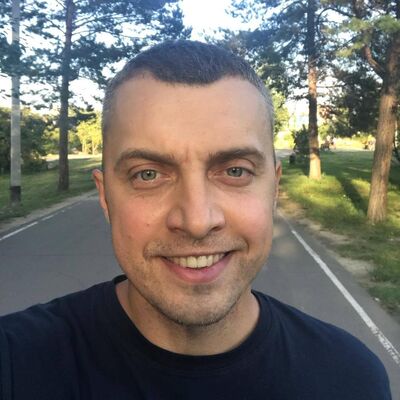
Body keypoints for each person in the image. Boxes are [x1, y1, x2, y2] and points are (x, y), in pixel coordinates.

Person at [0, 40, 391, 400]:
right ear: (105, 196)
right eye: (147, 174)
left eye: (235, 171)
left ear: (274, 189)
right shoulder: (16, 364)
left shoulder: (353, 380)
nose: (197, 221)